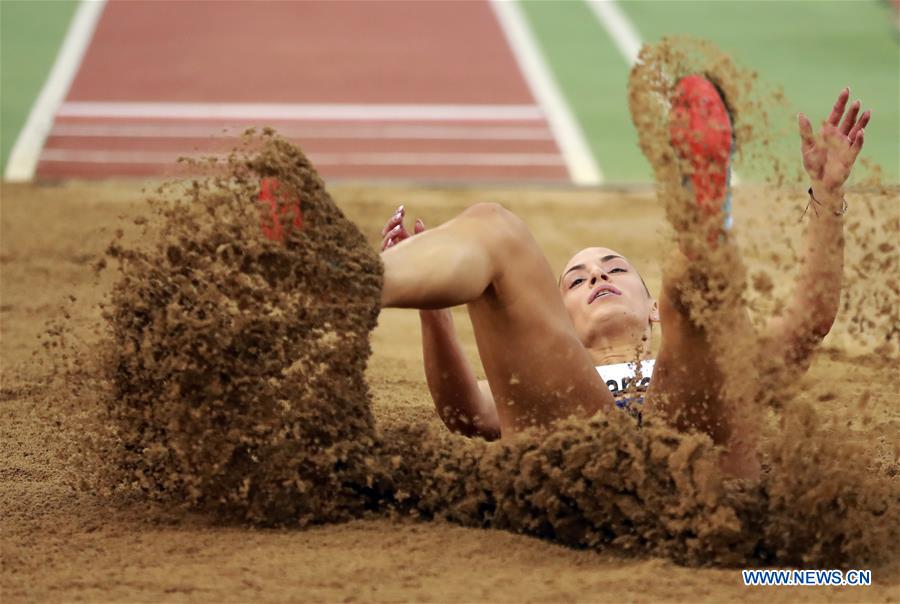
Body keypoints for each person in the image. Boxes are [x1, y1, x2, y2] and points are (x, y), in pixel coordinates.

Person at [370, 80, 869, 480]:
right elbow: (466, 414)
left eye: (614, 269)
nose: (597, 276)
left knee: (692, 300)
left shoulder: (701, 357)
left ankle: (703, 225)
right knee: (495, 225)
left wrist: (827, 195)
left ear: (650, 308)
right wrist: (433, 313)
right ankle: (364, 281)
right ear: (557, 322)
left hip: (700, 479)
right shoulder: (537, 375)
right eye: (576, 281)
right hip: (582, 471)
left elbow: (809, 324)